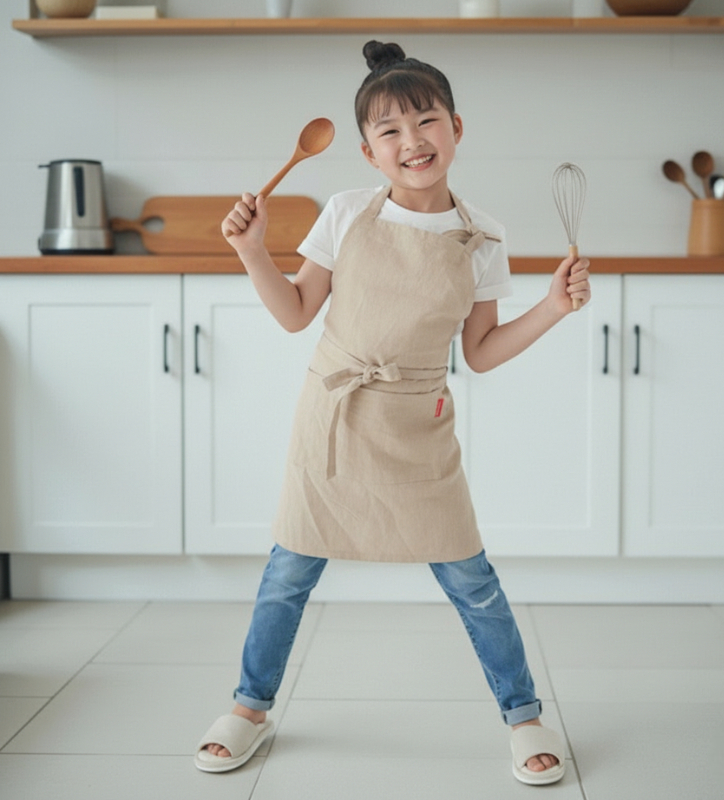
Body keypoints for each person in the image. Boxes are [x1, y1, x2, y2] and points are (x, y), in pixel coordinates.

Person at [195, 40, 590, 786]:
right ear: (369, 152)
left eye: (426, 121)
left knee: (472, 580)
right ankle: (249, 707)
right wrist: (253, 253)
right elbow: (296, 312)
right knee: (289, 570)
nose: (412, 142)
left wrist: (552, 307)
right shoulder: (345, 213)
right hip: (334, 417)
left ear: (457, 128)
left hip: (419, 423)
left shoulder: (485, 237)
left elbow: (480, 351)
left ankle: (524, 714)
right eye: (390, 131)